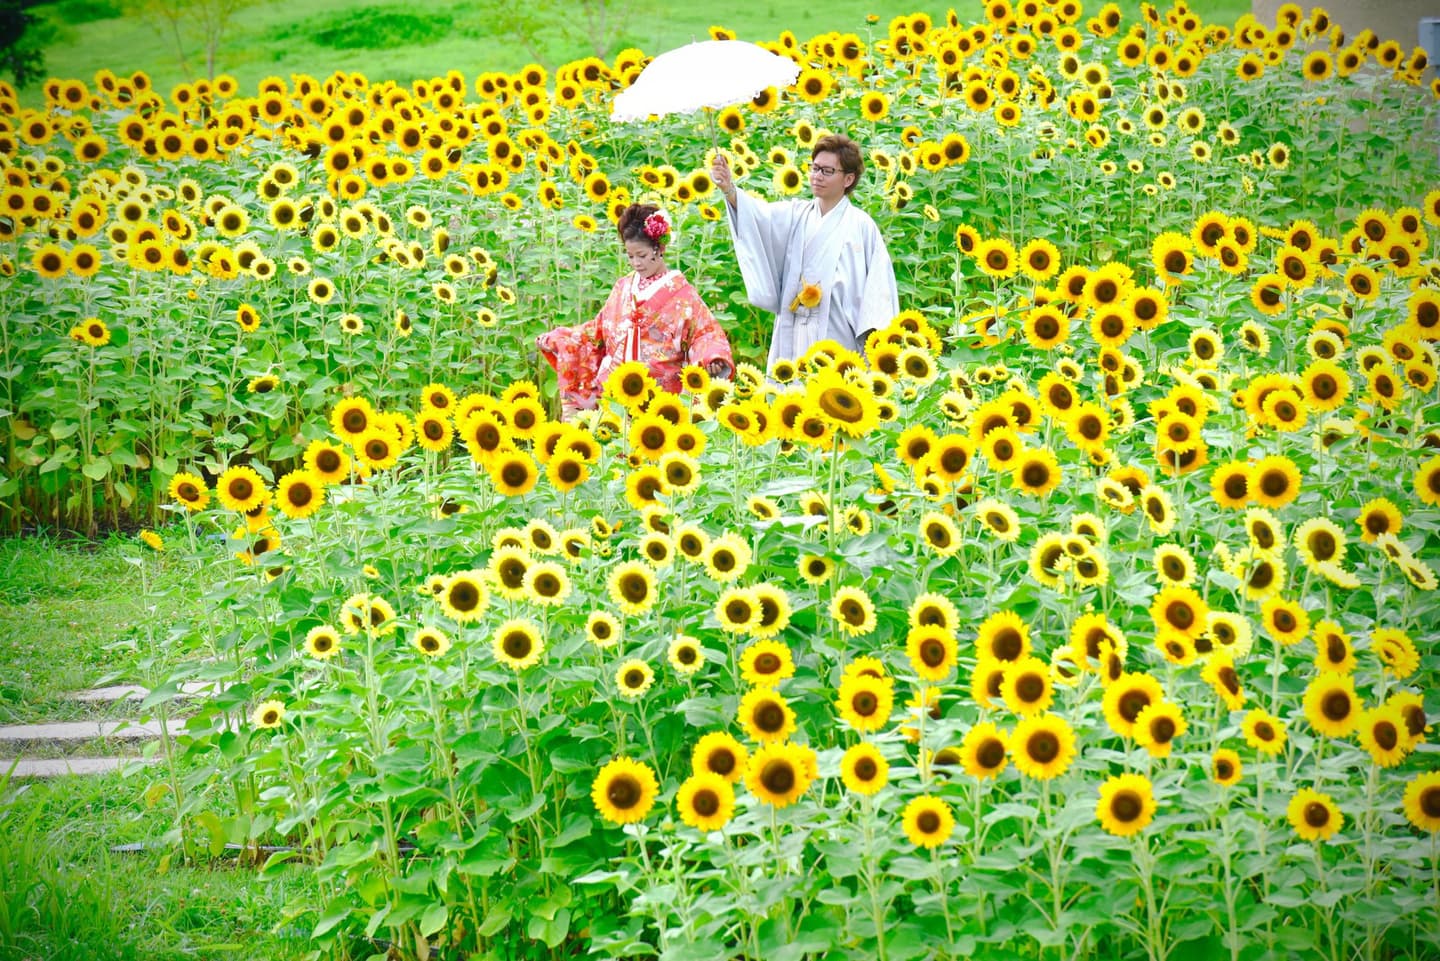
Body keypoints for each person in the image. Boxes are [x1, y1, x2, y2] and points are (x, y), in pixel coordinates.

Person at [712, 133, 899, 369]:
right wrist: (729, 188)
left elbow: (877, 289)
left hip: (837, 330)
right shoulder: (797, 214)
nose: (817, 176)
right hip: (794, 327)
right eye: (814, 168)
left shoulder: (862, 226)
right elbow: (759, 218)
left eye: (827, 171)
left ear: (848, 179)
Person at [538, 203, 734, 416]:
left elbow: (705, 334)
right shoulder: (623, 287)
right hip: (615, 390)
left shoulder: (683, 295)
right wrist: (561, 339)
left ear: (660, 249)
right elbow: (599, 330)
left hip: (661, 398)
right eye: (630, 256)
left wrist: (713, 358)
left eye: (641, 255)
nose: (636, 263)